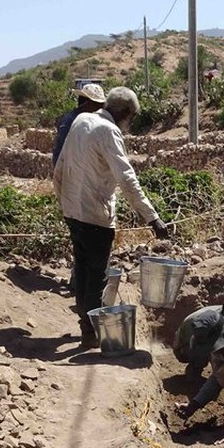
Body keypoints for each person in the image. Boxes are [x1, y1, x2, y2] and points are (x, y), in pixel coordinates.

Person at [54, 86, 169, 347]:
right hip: (95, 215)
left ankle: (86, 329)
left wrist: (65, 203)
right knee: (96, 276)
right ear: (126, 113)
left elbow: (60, 165)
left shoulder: (83, 120)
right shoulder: (109, 131)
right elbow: (126, 179)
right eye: (133, 117)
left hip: (74, 211)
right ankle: (93, 334)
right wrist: (152, 217)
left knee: (82, 272)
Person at [174, 294, 224, 375]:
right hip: (183, 348)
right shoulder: (214, 321)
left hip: (193, 340)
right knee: (216, 344)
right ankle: (194, 370)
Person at [53, 83, 106, 166]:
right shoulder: (71, 121)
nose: (99, 109)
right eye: (97, 105)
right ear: (88, 104)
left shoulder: (86, 121)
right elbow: (62, 150)